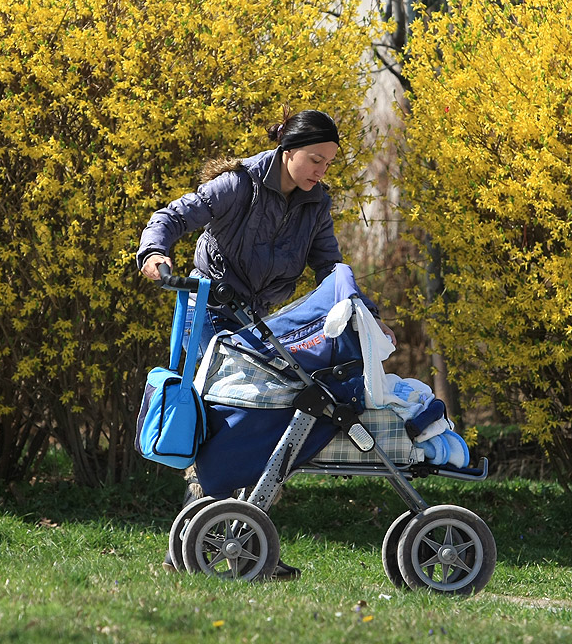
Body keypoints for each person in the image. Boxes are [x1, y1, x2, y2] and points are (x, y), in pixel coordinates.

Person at [137, 108, 395, 580]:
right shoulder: (238, 185)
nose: (321, 171)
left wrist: (362, 315)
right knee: (219, 425)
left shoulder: (316, 204)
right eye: (315, 160)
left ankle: (241, 546)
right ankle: (203, 550)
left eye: (328, 163)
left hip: (257, 323)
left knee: (267, 422)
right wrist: (154, 252)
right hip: (208, 315)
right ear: (288, 152)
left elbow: (330, 270)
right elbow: (172, 217)